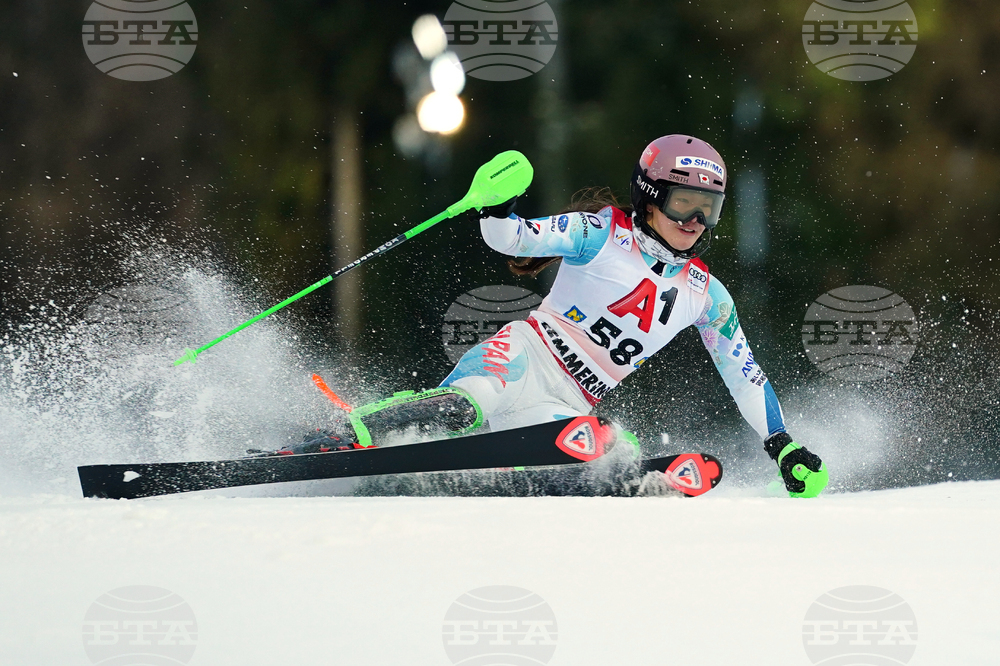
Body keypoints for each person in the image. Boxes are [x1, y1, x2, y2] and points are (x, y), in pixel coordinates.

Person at [285, 135, 828, 498]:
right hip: (523, 355)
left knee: (608, 446)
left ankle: (622, 479)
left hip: (568, 400)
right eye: (684, 201)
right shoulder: (599, 232)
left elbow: (745, 375)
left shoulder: (707, 295)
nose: (695, 220)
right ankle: (344, 434)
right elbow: (511, 238)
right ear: (650, 194)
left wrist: (781, 445)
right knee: (468, 405)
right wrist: (497, 207)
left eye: (709, 208)